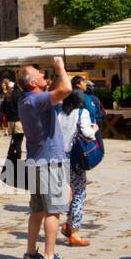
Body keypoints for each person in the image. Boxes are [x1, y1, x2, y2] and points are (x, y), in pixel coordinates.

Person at [16, 56, 74, 259]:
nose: (42, 75)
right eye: (38, 73)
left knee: (38, 210)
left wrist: (56, 76)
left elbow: (52, 89)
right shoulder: (37, 100)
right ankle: (49, 257)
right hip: (50, 161)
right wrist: (61, 69)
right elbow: (66, 90)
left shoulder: (27, 100)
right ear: (32, 82)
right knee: (53, 210)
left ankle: (31, 253)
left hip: (36, 161)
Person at [56, 88, 97, 247]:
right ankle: (75, 233)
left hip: (61, 157)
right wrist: (94, 130)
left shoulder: (60, 113)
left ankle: (68, 223)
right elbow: (87, 133)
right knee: (79, 193)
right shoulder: (82, 113)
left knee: (69, 191)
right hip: (76, 158)